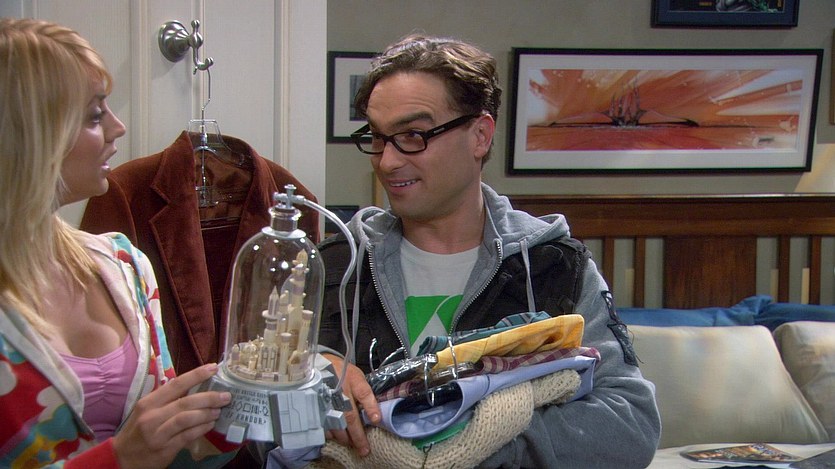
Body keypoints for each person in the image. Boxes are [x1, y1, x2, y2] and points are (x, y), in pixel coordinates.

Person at [316, 34, 661, 468]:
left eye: (413, 135)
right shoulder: (335, 266)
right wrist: (309, 384)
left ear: (480, 135)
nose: (387, 161)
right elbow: (261, 426)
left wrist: (481, 436)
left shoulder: (555, 266)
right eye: (378, 137)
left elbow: (630, 424)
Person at [0, 17, 237, 468]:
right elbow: (133, 453)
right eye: (94, 115)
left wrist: (230, 420)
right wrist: (119, 457)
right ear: (27, 134)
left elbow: (168, 450)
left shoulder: (124, 265)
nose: (118, 127)